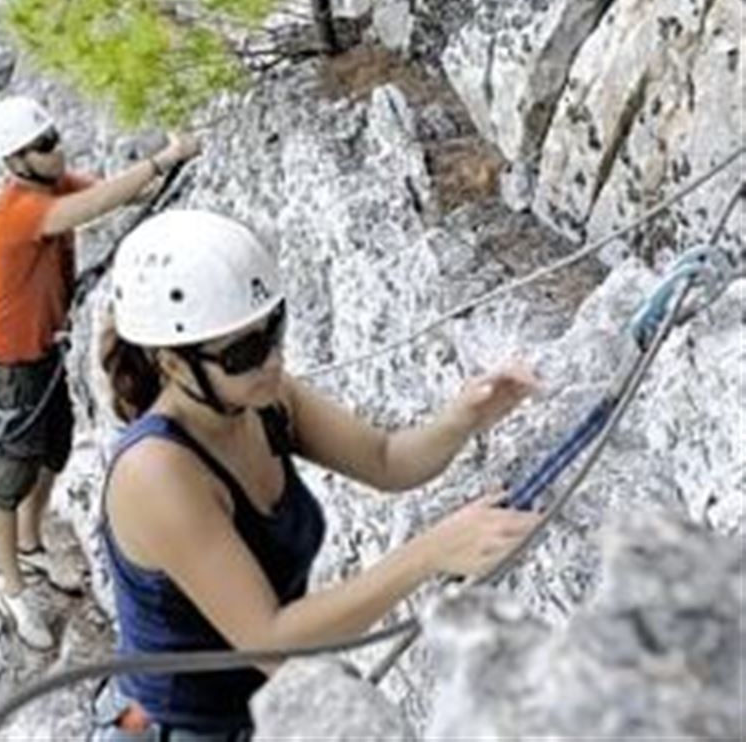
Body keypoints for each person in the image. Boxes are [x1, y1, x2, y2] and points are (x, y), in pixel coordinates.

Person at [95, 210, 542, 739]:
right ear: (171, 364)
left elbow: (385, 460)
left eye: (274, 327)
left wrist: (464, 418)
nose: (274, 359)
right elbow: (270, 640)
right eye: (243, 351)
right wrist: (430, 553)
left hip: (263, 700)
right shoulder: (157, 474)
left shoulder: (264, 400)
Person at [0, 95, 199, 650]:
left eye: (54, 135)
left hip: (42, 355)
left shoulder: (53, 185)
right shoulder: (18, 211)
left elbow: (123, 192)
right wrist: (165, 157)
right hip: (9, 366)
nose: (58, 148)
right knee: (10, 475)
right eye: (45, 144)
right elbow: (94, 206)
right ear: (17, 162)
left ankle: (31, 544)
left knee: (54, 450)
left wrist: (171, 160)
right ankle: (9, 585)